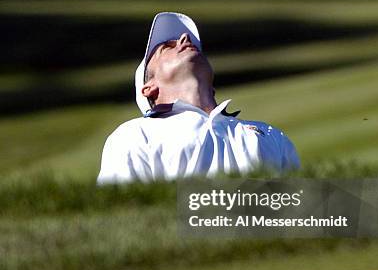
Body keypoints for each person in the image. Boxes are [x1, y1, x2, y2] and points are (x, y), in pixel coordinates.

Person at [97, 12, 300, 184]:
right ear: (149, 88)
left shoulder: (271, 135)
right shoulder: (135, 136)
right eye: (167, 47)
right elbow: (124, 211)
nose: (185, 38)